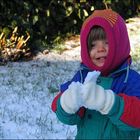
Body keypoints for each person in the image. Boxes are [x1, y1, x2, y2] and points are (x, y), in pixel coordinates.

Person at [51, 9, 140, 139]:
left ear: (120, 44)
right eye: (93, 45)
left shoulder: (130, 80)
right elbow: (62, 112)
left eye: (107, 42)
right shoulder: (82, 76)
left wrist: (109, 102)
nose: (100, 49)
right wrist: (66, 103)